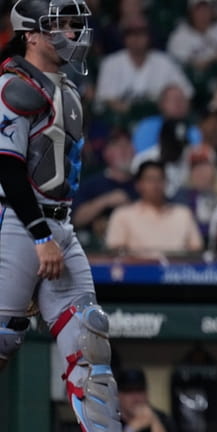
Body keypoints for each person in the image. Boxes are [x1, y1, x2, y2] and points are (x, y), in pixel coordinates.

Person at [0, 1, 121, 430]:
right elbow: (7, 166)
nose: (70, 33)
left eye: (73, 24)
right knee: (3, 338)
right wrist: (38, 236)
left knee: (91, 343)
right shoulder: (12, 85)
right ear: (30, 35)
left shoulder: (66, 87)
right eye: (58, 25)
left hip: (60, 225)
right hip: (15, 223)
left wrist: (52, 233)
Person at [117, 368, 178, 432]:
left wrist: (154, 421)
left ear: (147, 393)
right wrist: (131, 428)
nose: (136, 397)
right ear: (119, 395)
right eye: (129, 391)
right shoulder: (111, 420)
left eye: (139, 390)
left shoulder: (164, 419)